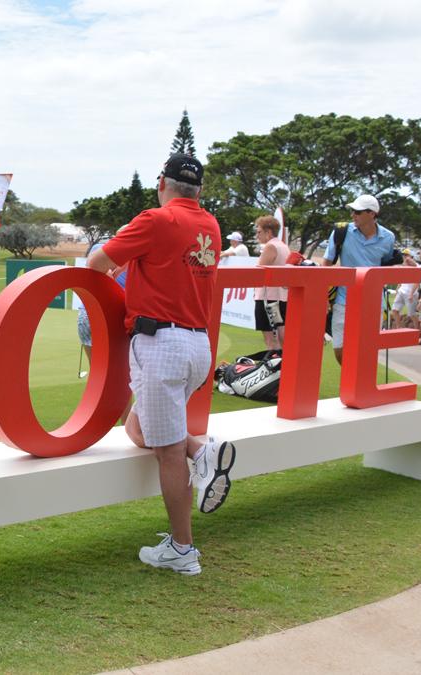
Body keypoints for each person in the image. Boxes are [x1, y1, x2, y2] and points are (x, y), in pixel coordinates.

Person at [87, 153, 235, 576]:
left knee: (167, 452)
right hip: (197, 345)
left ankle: (183, 549)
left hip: (160, 343)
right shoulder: (210, 224)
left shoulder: (155, 219)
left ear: (161, 182)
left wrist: (119, 264)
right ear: (199, 190)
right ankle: (202, 452)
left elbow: (96, 262)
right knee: (139, 430)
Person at [323, 194, 397, 364]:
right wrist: (323, 294)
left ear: (372, 214)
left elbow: (386, 265)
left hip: (373, 300)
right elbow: (326, 263)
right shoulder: (341, 232)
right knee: (339, 349)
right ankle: (351, 380)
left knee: (368, 348)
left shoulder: (388, 238)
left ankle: (358, 387)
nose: (353, 215)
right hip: (343, 298)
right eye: (352, 211)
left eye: (358, 211)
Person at [253, 216, 290, 350]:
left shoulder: (271, 246)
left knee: (271, 339)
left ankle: (275, 367)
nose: (257, 236)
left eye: (259, 232)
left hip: (268, 298)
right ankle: (283, 365)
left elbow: (258, 272)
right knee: (280, 333)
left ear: (268, 232)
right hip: (279, 297)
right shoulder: (283, 246)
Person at [390, 250, 421, 332]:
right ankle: (398, 328)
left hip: (411, 293)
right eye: (404, 255)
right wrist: (397, 288)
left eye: (407, 255)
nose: (405, 257)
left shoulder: (417, 266)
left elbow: (417, 282)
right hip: (402, 291)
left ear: (412, 257)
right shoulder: (404, 266)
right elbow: (401, 278)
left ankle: (416, 330)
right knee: (395, 310)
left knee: (412, 314)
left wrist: (411, 294)